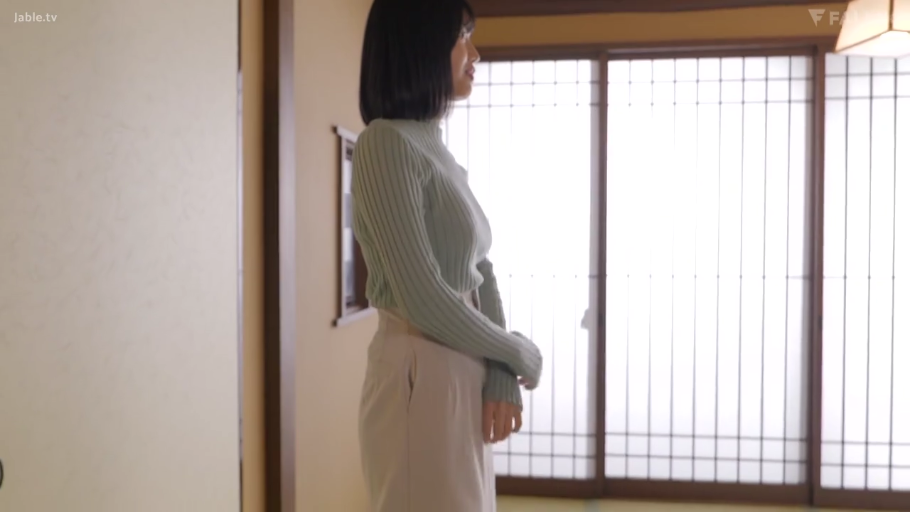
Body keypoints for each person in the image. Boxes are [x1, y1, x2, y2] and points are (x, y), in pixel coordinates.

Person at [352, 0, 544, 510]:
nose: (474, 53)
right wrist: (514, 351)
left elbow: (481, 270)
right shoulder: (384, 143)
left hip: (459, 362)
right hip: (419, 369)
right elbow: (422, 297)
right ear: (420, 45)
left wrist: (499, 371)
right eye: (462, 37)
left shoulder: (434, 150)